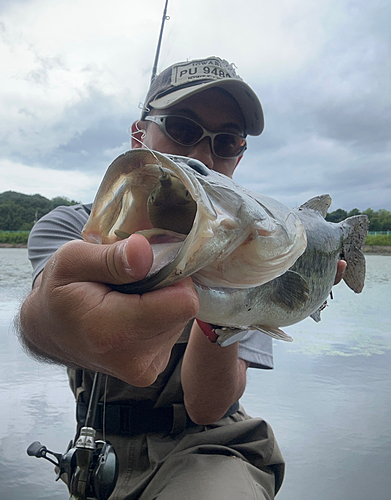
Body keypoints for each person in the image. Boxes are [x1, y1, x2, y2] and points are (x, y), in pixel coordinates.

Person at [19, 56, 346, 499]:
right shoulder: (69, 229)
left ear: (239, 158)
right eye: (182, 127)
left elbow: (207, 405)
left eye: (226, 142)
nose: (200, 154)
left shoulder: (257, 251)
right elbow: (47, 322)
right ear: (140, 134)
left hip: (211, 447)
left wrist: (229, 309)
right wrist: (44, 319)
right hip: (96, 457)